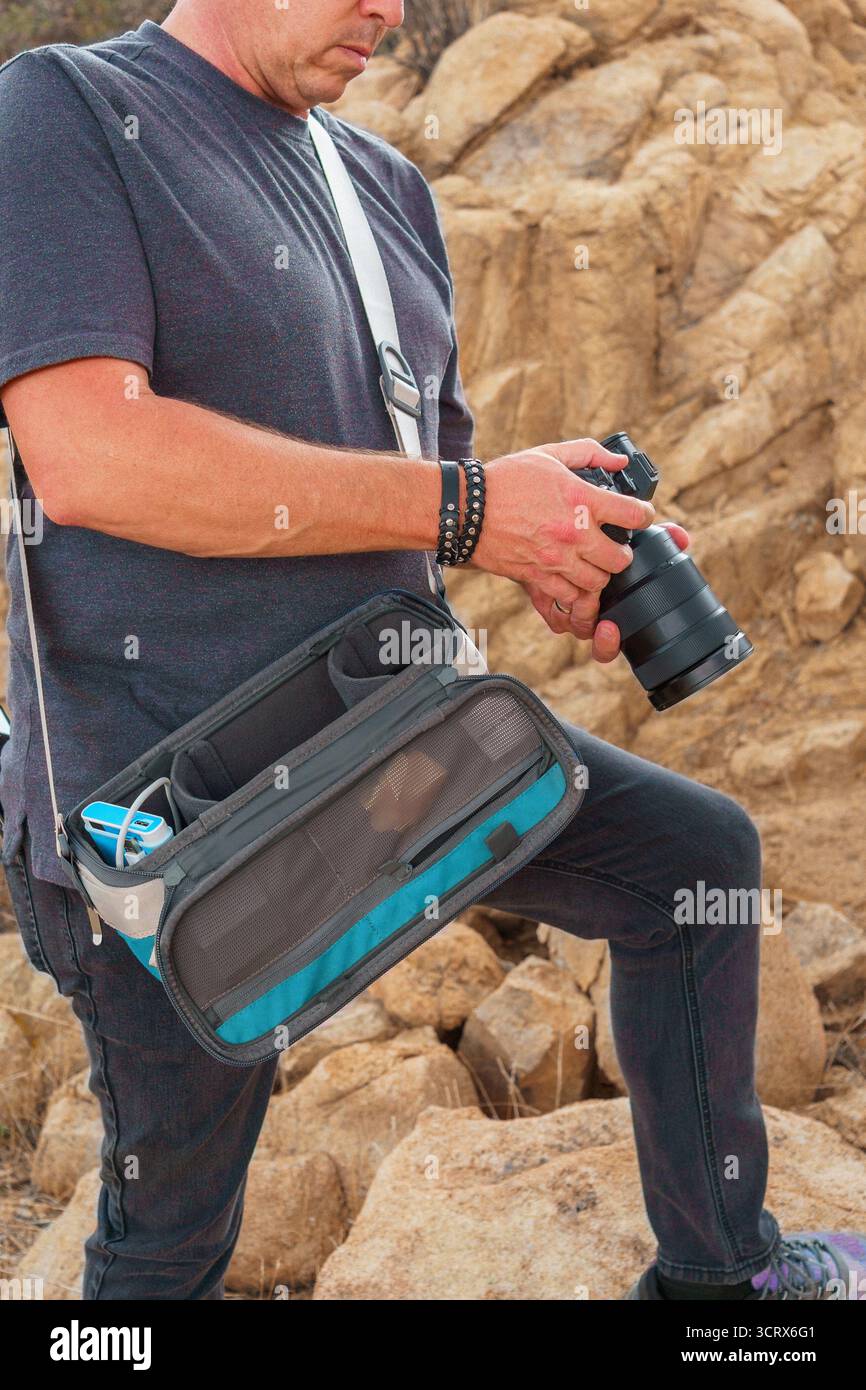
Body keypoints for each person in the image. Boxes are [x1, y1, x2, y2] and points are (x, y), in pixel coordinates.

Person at [0, 0, 862, 1302]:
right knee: (169, 1240)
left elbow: (411, 494)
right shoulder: (63, 111)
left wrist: (546, 543)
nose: (389, 10)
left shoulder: (380, 188)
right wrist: (467, 506)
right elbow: (94, 456)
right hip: (175, 822)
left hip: (393, 748)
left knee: (692, 863)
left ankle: (719, 1277)